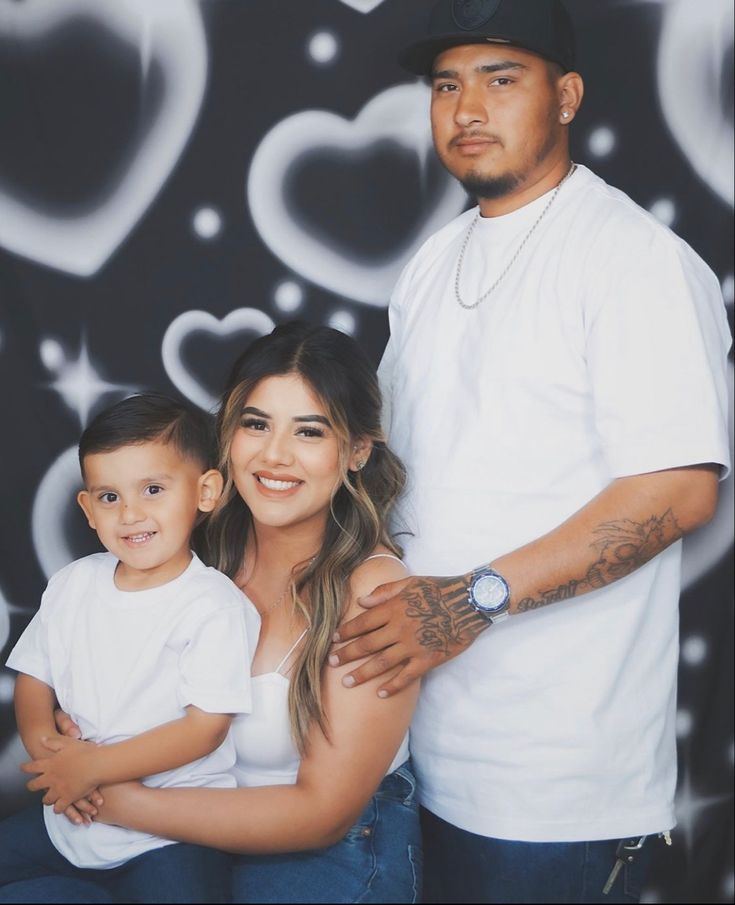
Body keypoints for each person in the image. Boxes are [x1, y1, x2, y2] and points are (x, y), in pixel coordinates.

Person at [327, 2, 732, 903]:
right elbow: (397, 471)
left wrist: (475, 598)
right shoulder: (434, 261)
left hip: (553, 787)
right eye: (446, 84)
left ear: (566, 96)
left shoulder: (634, 259)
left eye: (501, 79)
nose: (467, 107)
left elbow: (677, 490)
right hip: (406, 750)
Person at [55, 323, 422, 904]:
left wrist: (106, 791)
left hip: (327, 847)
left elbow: (320, 814)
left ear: (356, 451)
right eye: (256, 424)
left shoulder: (373, 590)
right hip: (177, 835)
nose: (275, 455)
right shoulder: (189, 546)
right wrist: (72, 737)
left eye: (309, 431)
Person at [0, 393, 260, 904]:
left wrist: (93, 769)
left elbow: (203, 729)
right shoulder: (75, 582)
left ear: (205, 492)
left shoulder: (212, 604)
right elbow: (34, 678)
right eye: (109, 497)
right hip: (74, 811)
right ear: (88, 509)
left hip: (172, 833)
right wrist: (53, 757)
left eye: (154, 489)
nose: (131, 514)